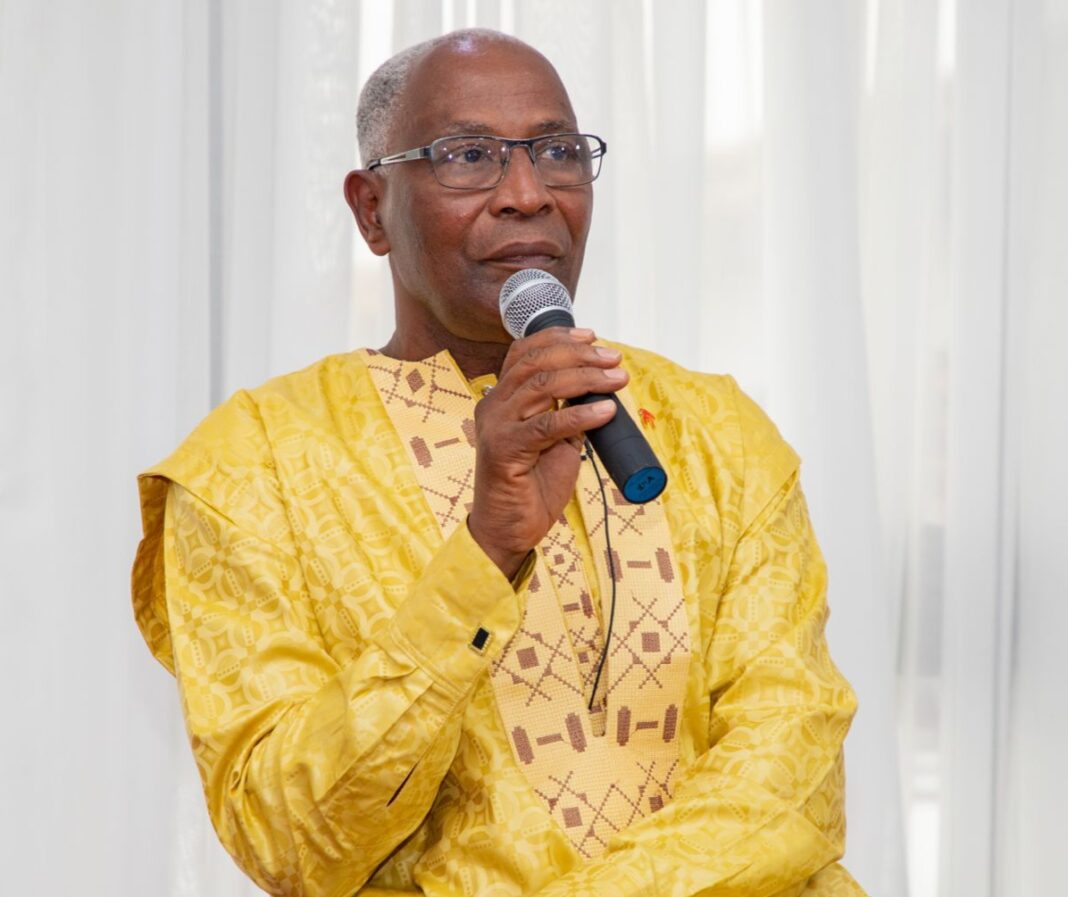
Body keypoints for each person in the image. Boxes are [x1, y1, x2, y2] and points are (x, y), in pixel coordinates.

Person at [132, 28, 866, 897]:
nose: (528, 194)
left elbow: (794, 772)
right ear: (371, 210)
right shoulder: (247, 470)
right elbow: (292, 838)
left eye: (558, 152)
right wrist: (484, 553)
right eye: (469, 156)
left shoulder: (718, 433)